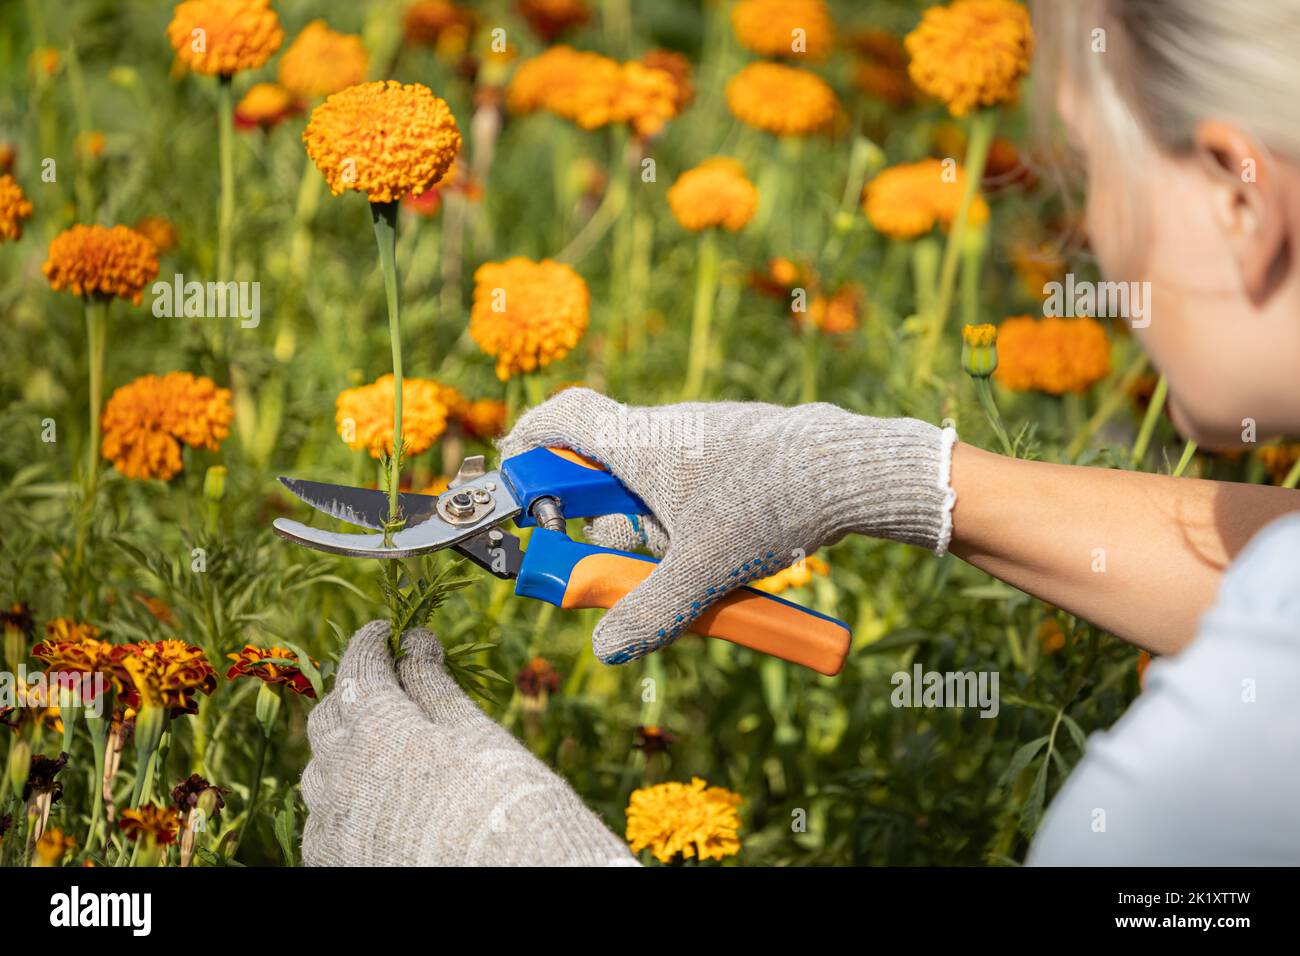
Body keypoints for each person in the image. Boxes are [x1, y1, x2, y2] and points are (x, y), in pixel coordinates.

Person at [301, 0, 1300, 866]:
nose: (1089, 236)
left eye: (1086, 171)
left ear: (1237, 198)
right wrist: (868, 471)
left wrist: (509, 847)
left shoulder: (1190, 800)